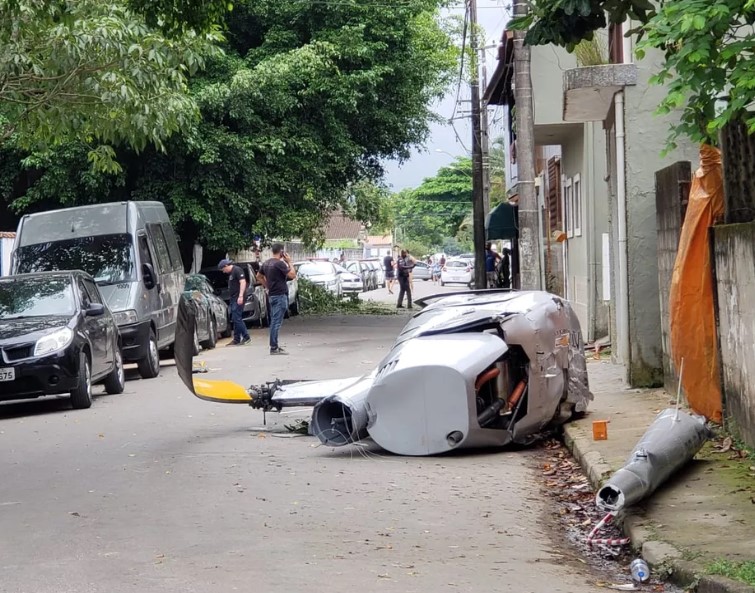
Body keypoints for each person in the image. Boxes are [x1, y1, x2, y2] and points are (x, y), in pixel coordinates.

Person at [257, 243, 296, 355]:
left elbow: (258, 276)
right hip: (280, 295)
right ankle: (273, 347)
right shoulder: (280, 264)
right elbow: (292, 275)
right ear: (282, 252)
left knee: (274, 320)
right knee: (276, 322)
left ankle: (275, 345)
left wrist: (267, 285)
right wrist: (289, 262)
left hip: (272, 295)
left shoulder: (266, 263)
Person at [218, 258, 251, 345]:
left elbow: (243, 282)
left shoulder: (237, 270)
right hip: (233, 297)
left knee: (237, 318)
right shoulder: (231, 273)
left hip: (238, 297)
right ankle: (236, 339)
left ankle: (246, 336)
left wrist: (240, 296)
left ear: (226, 266)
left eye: (223, 269)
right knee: (235, 318)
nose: (223, 272)